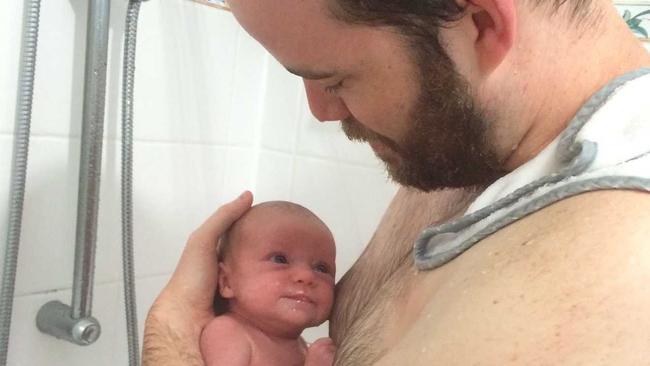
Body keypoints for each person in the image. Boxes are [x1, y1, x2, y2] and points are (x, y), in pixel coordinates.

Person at [143, 0, 650, 364]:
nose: (320, 111)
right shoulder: (476, 142)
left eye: (335, 80)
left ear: (479, 23)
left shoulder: (604, 271)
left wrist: (169, 337)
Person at [200, 201, 337, 366]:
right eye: (280, 259)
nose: (306, 275)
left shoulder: (302, 348)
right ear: (227, 282)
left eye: (321, 268)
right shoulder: (229, 332)